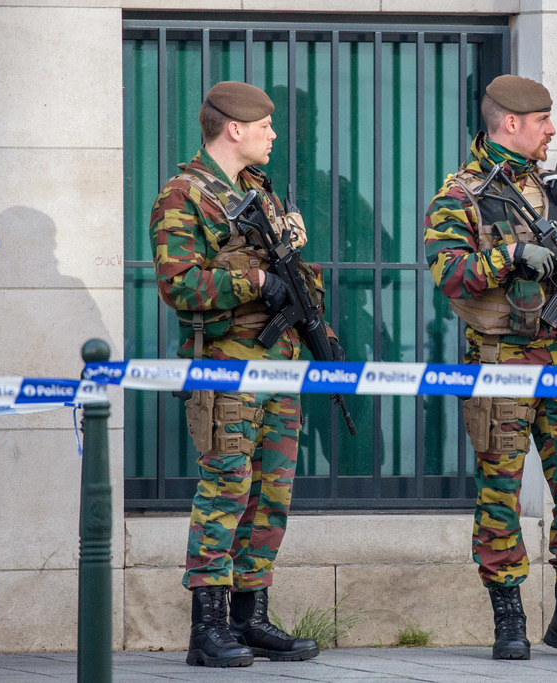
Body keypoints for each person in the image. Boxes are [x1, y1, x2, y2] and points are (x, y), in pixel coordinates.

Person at [424, 74, 557, 661]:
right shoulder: (459, 195)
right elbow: (448, 272)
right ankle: (508, 618)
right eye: (543, 120)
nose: (552, 130)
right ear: (510, 123)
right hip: (500, 359)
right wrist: (510, 256)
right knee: (500, 490)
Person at [149, 80, 340, 668]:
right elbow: (178, 286)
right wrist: (254, 283)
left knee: (270, 495)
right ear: (234, 128)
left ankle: (249, 617)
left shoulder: (258, 190)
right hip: (227, 369)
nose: (274, 136)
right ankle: (207, 628)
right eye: (265, 127)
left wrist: (316, 323)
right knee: (225, 492)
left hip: (280, 369)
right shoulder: (184, 196)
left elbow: (293, 267)